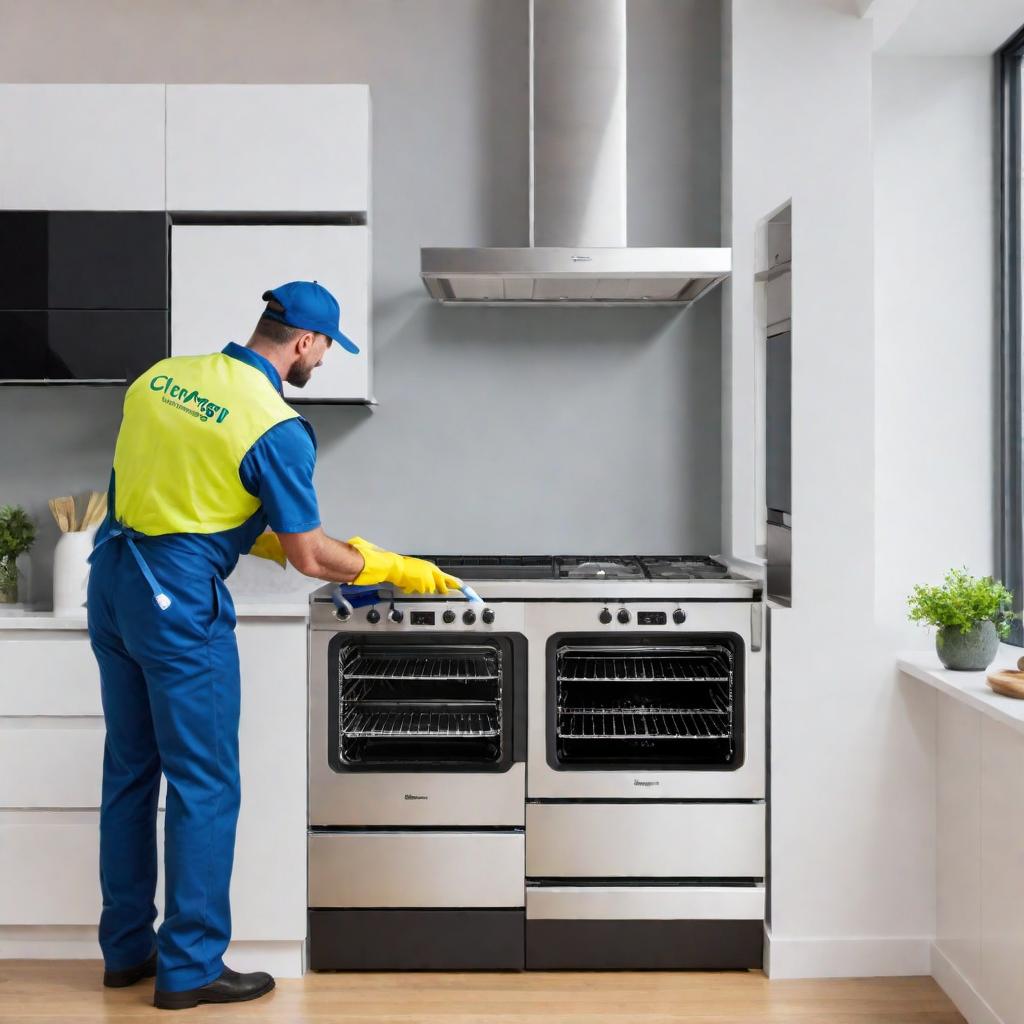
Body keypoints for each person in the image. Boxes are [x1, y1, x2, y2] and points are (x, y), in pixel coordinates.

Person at [86, 280, 460, 1010]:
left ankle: (126, 950)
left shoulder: (161, 377)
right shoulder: (276, 427)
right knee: (204, 782)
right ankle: (190, 967)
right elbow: (311, 557)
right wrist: (396, 568)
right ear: (304, 343)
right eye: (325, 349)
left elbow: (179, 498)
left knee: (131, 773)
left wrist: (263, 542)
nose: (321, 362)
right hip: (176, 605)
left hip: (114, 583)